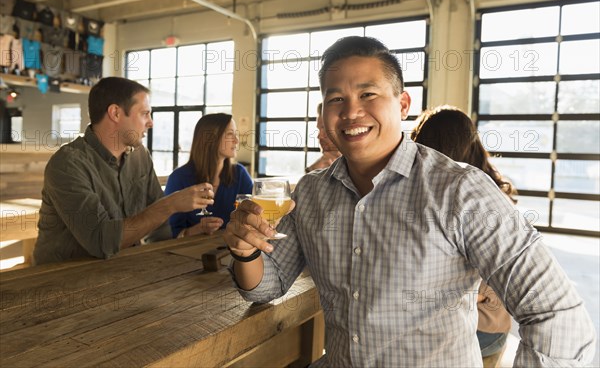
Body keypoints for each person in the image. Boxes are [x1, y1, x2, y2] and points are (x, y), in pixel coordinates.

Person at [222, 36, 596, 366]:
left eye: (368, 94)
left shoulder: (460, 191)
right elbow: (267, 287)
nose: (352, 111)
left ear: (402, 104)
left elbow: (558, 316)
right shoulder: (310, 192)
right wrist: (245, 251)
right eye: (336, 99)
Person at [34, 77, 214, 265]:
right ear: (115, 113)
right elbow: (101, 241)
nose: (151, 123)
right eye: (145, 114)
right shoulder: (68, 164)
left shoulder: (140, 155)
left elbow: (159, 230)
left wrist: (185, 236)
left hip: (122, 269)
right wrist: (171, 204)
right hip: (62, 279)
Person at [411, 105, 514, 359]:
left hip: (482, 328)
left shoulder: (479, 200)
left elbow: (479, 288)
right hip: (462, 319)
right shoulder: (429, 193)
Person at [165, 113, 252, 238]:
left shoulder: (239, 174)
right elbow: (171, 234)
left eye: (236, 134)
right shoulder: (179, 178)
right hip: (190, 252)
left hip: (232, 251)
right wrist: (198, 229)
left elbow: (253, 214)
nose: (236, 140)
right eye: (229, 134)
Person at [305, 102, 341, 173]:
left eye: (325, 129)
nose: (319, 136)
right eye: (319, 129)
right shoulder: (321, 166)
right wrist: (311, 171)